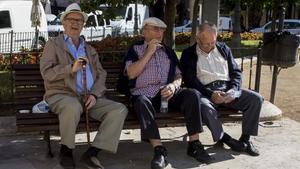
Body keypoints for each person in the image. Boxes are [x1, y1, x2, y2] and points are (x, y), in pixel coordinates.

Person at [122, 17, 245, 169]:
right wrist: (149, 52)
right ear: (145, 31)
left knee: (192, 94)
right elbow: (131, 74)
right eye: (156, 29)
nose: (160, 33)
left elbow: (178, 75)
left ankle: (194, 143)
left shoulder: (168, 52)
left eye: (162, 30)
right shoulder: (136, 49)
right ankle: (159, 150)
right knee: (140, 102)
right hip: (145, 93)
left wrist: (173, 86)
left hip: (167, 93)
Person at [40, 3, 128, 169]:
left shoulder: (89, 49)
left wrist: (94, 95)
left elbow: (101, 74)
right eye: (72, 19)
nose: (75, 23)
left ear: (83, 25)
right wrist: (70, 69)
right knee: (72, 106)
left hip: (87, 97)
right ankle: (66, 151)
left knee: (119, 109)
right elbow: (47, 73)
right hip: (61, 95)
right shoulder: (53, 44)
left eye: (79, 21)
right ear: (64, 22)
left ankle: (92, 153)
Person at [180, 22, 264, 158]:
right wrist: (210, 94)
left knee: (256, 99)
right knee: (204, 107)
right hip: (204, 92)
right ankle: (226, 138)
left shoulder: (224, 48)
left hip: (227, 89)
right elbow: (190, 80)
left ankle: (246, 139)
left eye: (213, 42)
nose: (210, 46)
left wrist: (233, 90)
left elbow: (236, 72)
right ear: (197, 39)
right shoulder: (188, 54)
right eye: (206, 44)